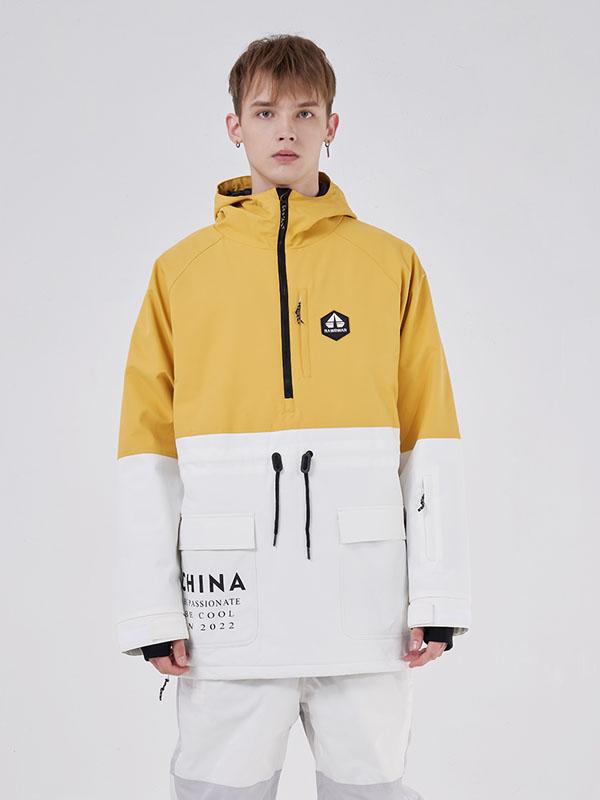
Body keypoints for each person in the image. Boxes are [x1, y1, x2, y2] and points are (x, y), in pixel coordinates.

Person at [115, 33, 471, 800]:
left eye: (305, 112)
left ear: (331, 126)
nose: (286, 129)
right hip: (228, 614)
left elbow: (430, 436)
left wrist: (438, 597)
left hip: (365, 611)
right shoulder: (180, 273)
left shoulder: (390, 264)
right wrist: (151, 608)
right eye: (266, 111)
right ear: (234, 126)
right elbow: (147, 451)